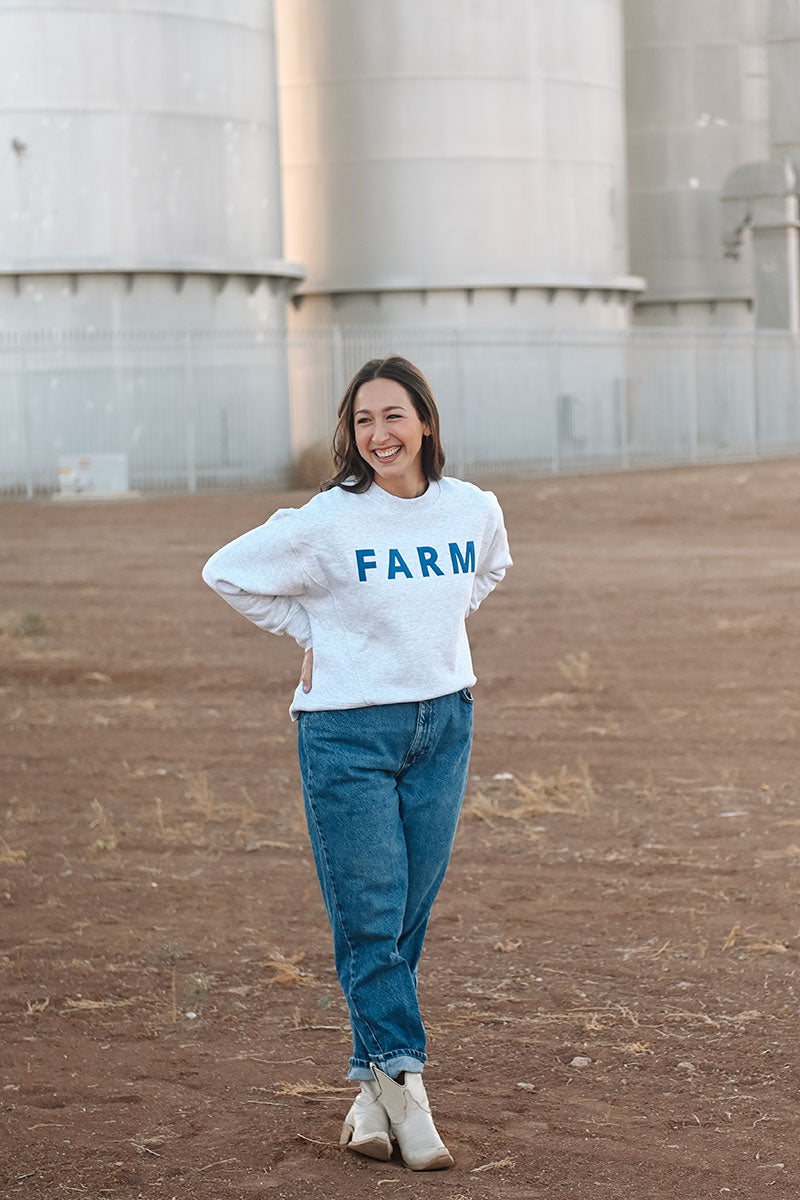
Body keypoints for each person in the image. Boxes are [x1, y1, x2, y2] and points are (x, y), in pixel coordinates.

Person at [202, 355, 512, 1171]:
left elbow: (487, 572)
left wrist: (435, 633)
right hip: (346, 734)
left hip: (445, 722)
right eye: (364, 420)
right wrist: (313, 637)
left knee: (405, 916)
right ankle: (410, 1092)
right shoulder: (327, 521)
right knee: (369, 917)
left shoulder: (472, 509)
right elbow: (226, 572)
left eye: (394, 417)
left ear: (427, 424)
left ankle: (368, 1090)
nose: (379, 434)